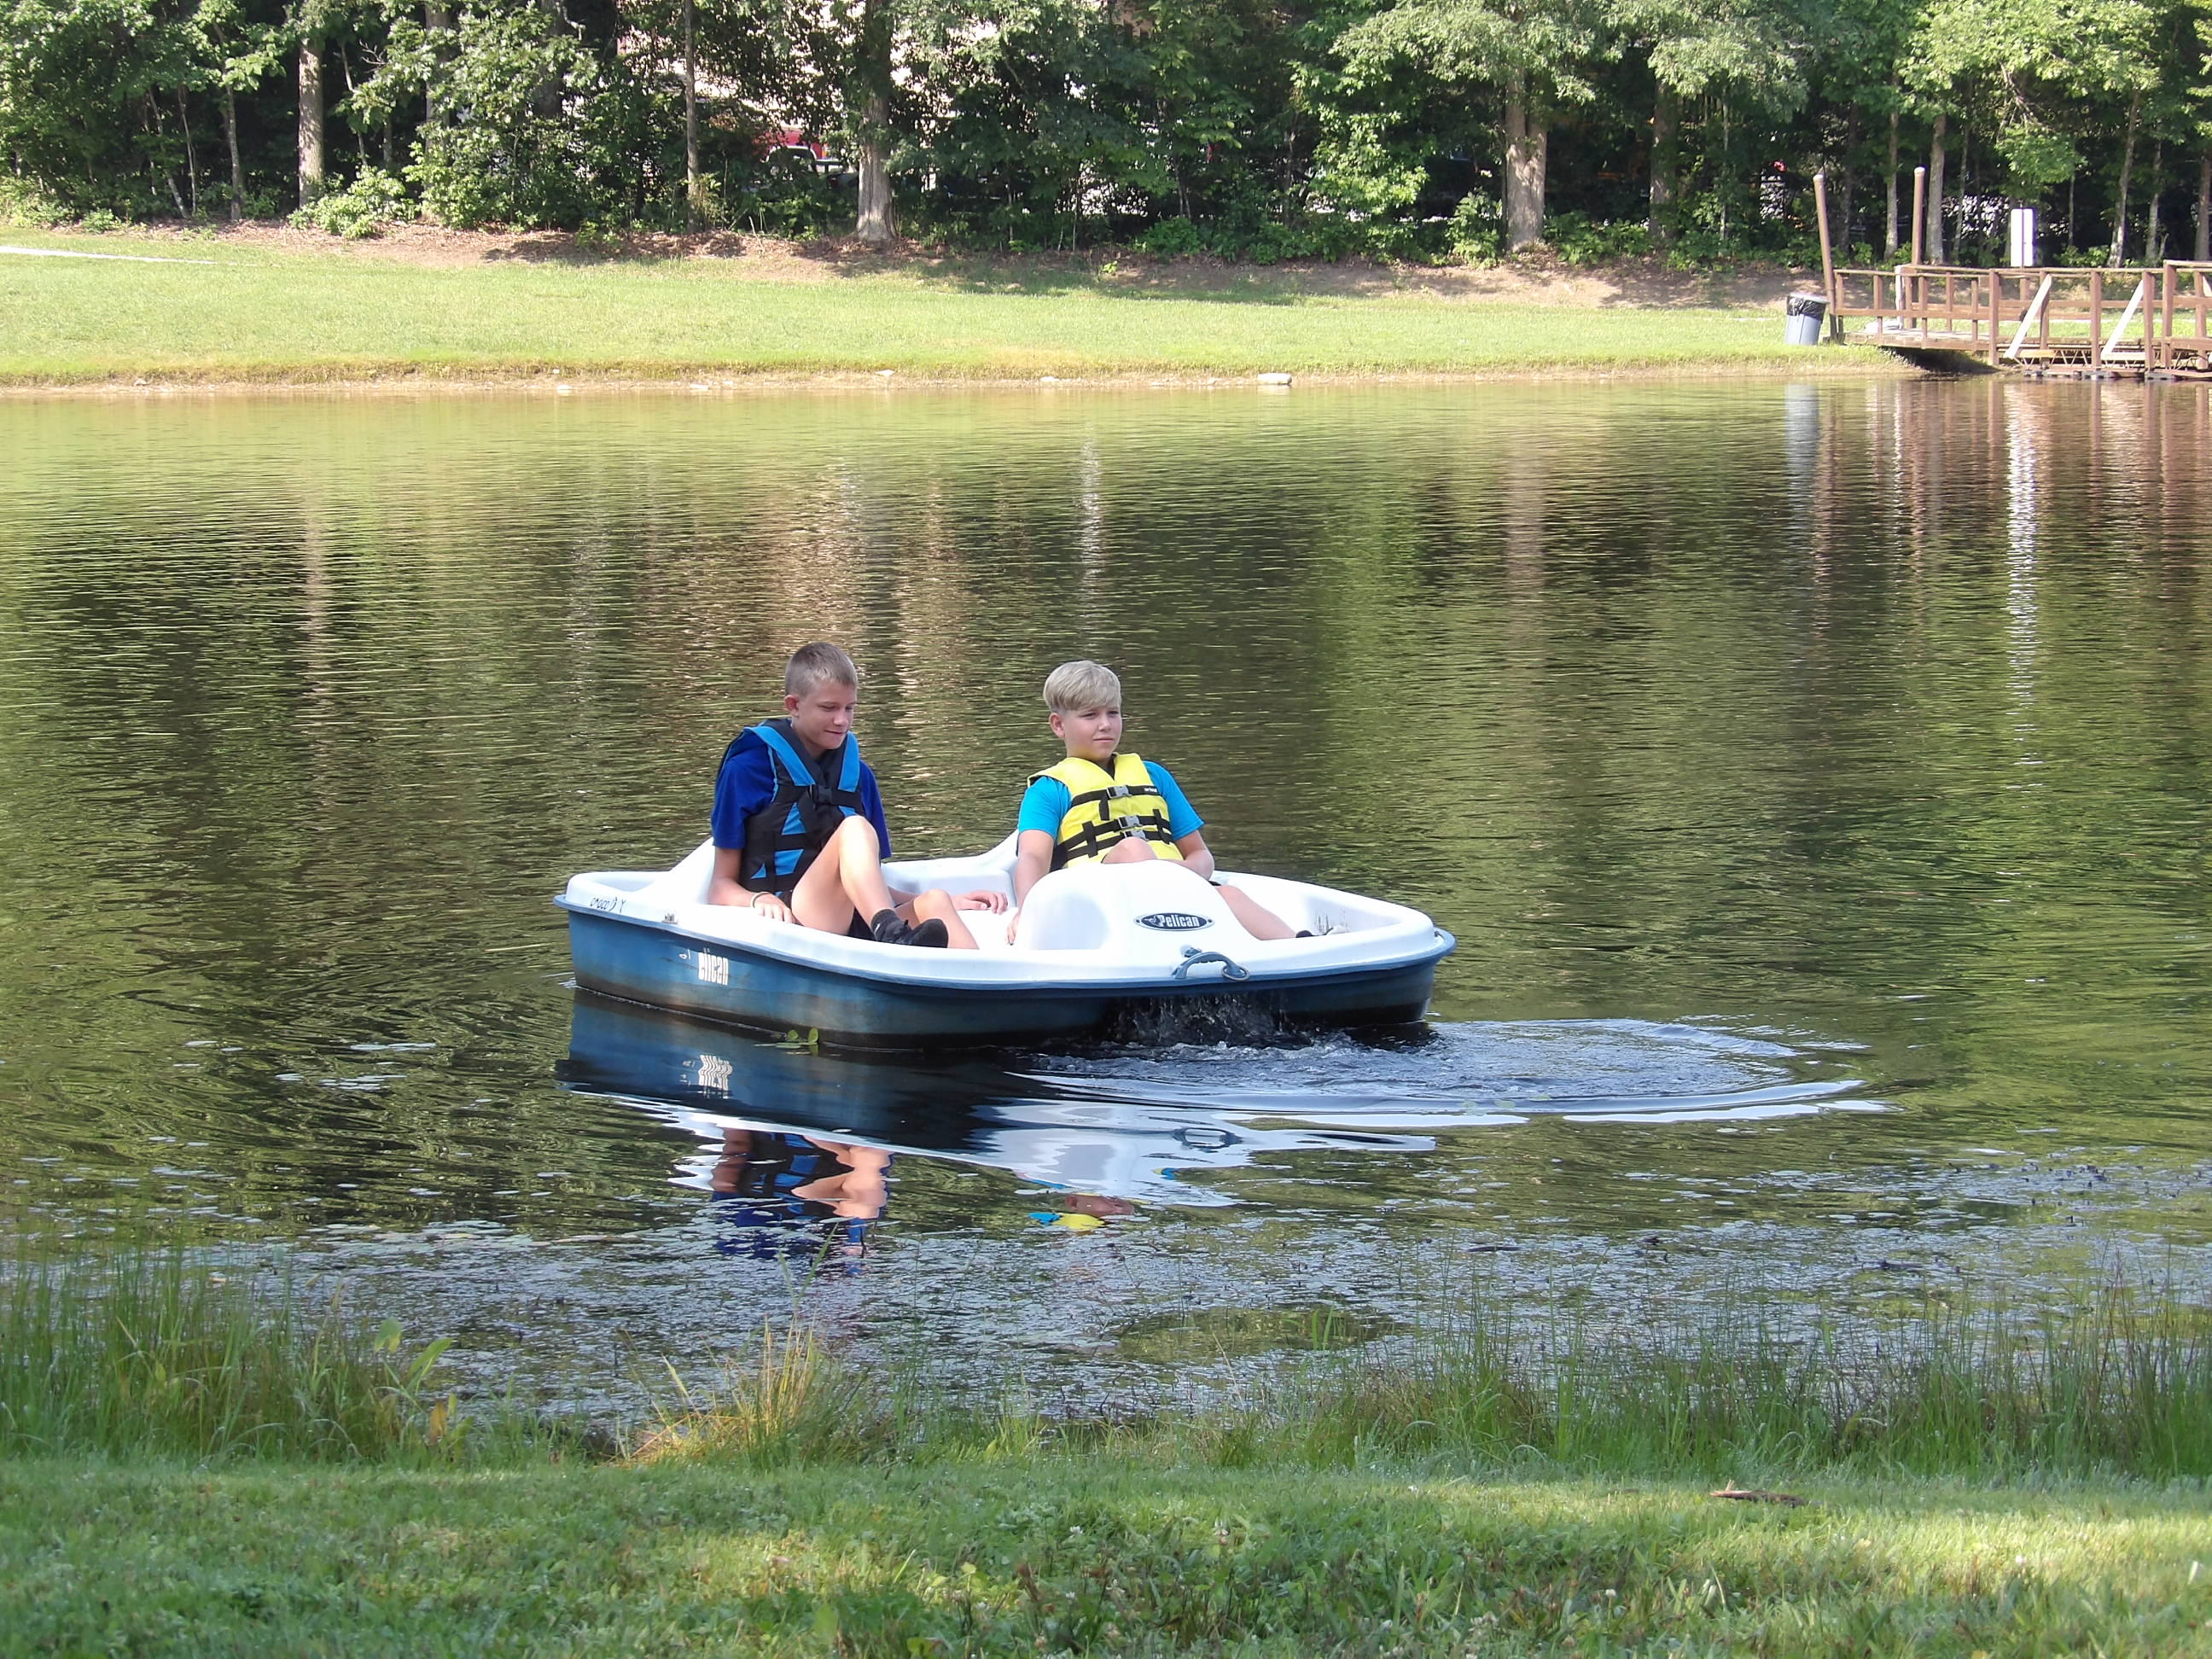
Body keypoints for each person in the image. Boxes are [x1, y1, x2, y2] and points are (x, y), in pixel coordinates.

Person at [707, 642, 1006, 948]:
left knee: (936, 902)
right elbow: (720, 887)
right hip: (794, 914)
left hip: (852, 919)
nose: (842, 721)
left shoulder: (859, 775)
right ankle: (892, 935)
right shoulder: (747, 770)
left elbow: (867, 882)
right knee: (855, 828)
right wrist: (758, 900)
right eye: (829, 708)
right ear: (793, 705)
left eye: (849, 708)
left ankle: (981, 985)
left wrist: (954, 900)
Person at [1008, 659, 1296, 940]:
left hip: (1172, 892)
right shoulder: (1048, 789)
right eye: (1090, 715)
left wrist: (1182, 871)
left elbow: (1200, 854)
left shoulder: (1154, 776)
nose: (1106, 725)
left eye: (1113, 713)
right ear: (1059, 725)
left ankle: (1298, 945)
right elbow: (1032, 857)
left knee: (1228, 894)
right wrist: (1029, 912)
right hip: (1092, 901)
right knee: (1134, 849)